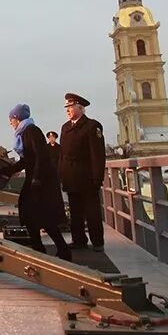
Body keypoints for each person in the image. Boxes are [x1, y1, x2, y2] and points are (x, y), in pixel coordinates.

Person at [0, 104, 71, 261]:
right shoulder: (25, 132)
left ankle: (57, 250)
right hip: (37, 180)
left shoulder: (30, 131)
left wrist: (36, 178)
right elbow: (26, 160)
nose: (10, 122)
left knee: (41, 217)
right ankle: (42, 249)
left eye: (11, 119)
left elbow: (40, 155)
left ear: (17, 118)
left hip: (41, 182)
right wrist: (4, 170)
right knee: (34, 216)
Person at [58, 93, 106, 252]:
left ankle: (97, 242)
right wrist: (61, 174)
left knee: (92, 212)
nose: (68, 110)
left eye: (70, 107)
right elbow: (62, 154)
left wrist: (97, 178)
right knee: (75, 212)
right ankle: (78, 240)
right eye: (67, 107)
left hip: (86, 177)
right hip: (71, 177)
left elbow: (97, 155)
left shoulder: (92, 126)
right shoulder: (65, 127)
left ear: (80, 107)